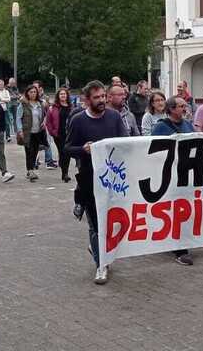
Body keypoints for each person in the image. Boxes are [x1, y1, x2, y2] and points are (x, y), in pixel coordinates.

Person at [65, 81, 128, 284]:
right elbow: (67, 148)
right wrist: (82, 149)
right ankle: (101, 265)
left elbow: (125, 141)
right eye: (97, 98)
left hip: (114, 180)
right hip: (89, 180)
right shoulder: (78, 121)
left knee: (110, 221)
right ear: (86, 100)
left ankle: (100, 250)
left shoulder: (114, 116)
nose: (101, 101)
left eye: (103, 96)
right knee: (95, 224)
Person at [151, 96, 195, 265]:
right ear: (171, 109)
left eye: (185, 105)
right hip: (169, 175)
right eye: (181, 106)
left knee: (186, 209)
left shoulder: (188, 124)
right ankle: (179, 247)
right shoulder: (161, 128)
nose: (185, 109)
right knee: (175, 210)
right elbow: (152, 149)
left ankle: (182, 240)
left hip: (187, 173)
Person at [16, 84, 47, 181]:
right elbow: (18, 118)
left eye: (34, 92)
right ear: (27, 93)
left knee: (35, 151)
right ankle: (30, 171)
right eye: (31, 92)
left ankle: (31, 169)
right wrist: (20, 130)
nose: (33, 94)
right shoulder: (23, 104)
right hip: (27, 132)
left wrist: (44, 122)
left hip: (38, 131)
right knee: (29, 151)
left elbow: (45, 115)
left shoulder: (40, 103)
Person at [46, 87, 74, 182]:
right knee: (63, 152)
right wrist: (52, 132)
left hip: (69, 133)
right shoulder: (53, 107)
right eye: (61, 94)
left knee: (68, 153)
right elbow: (48, 121)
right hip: (58, 134)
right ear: (58, 96)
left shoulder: (71, 106)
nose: (63, 95)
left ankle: (65, 172)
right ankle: (64, 172)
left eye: (64, 94)